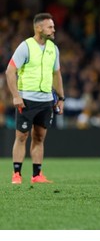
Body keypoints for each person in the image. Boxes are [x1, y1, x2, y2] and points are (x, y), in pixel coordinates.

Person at [5, 12, 65, 184]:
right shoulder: (25, 47)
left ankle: (37, 175)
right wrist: (16, 96)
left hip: (46, 100)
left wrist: (61, 97)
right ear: (39, 28)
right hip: (27, 99)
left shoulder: (54, 49)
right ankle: (16, 174)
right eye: (50, 27)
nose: (54, 30)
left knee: (39, 137)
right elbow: (10, 71)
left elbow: (56, 74)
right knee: (22, 136)